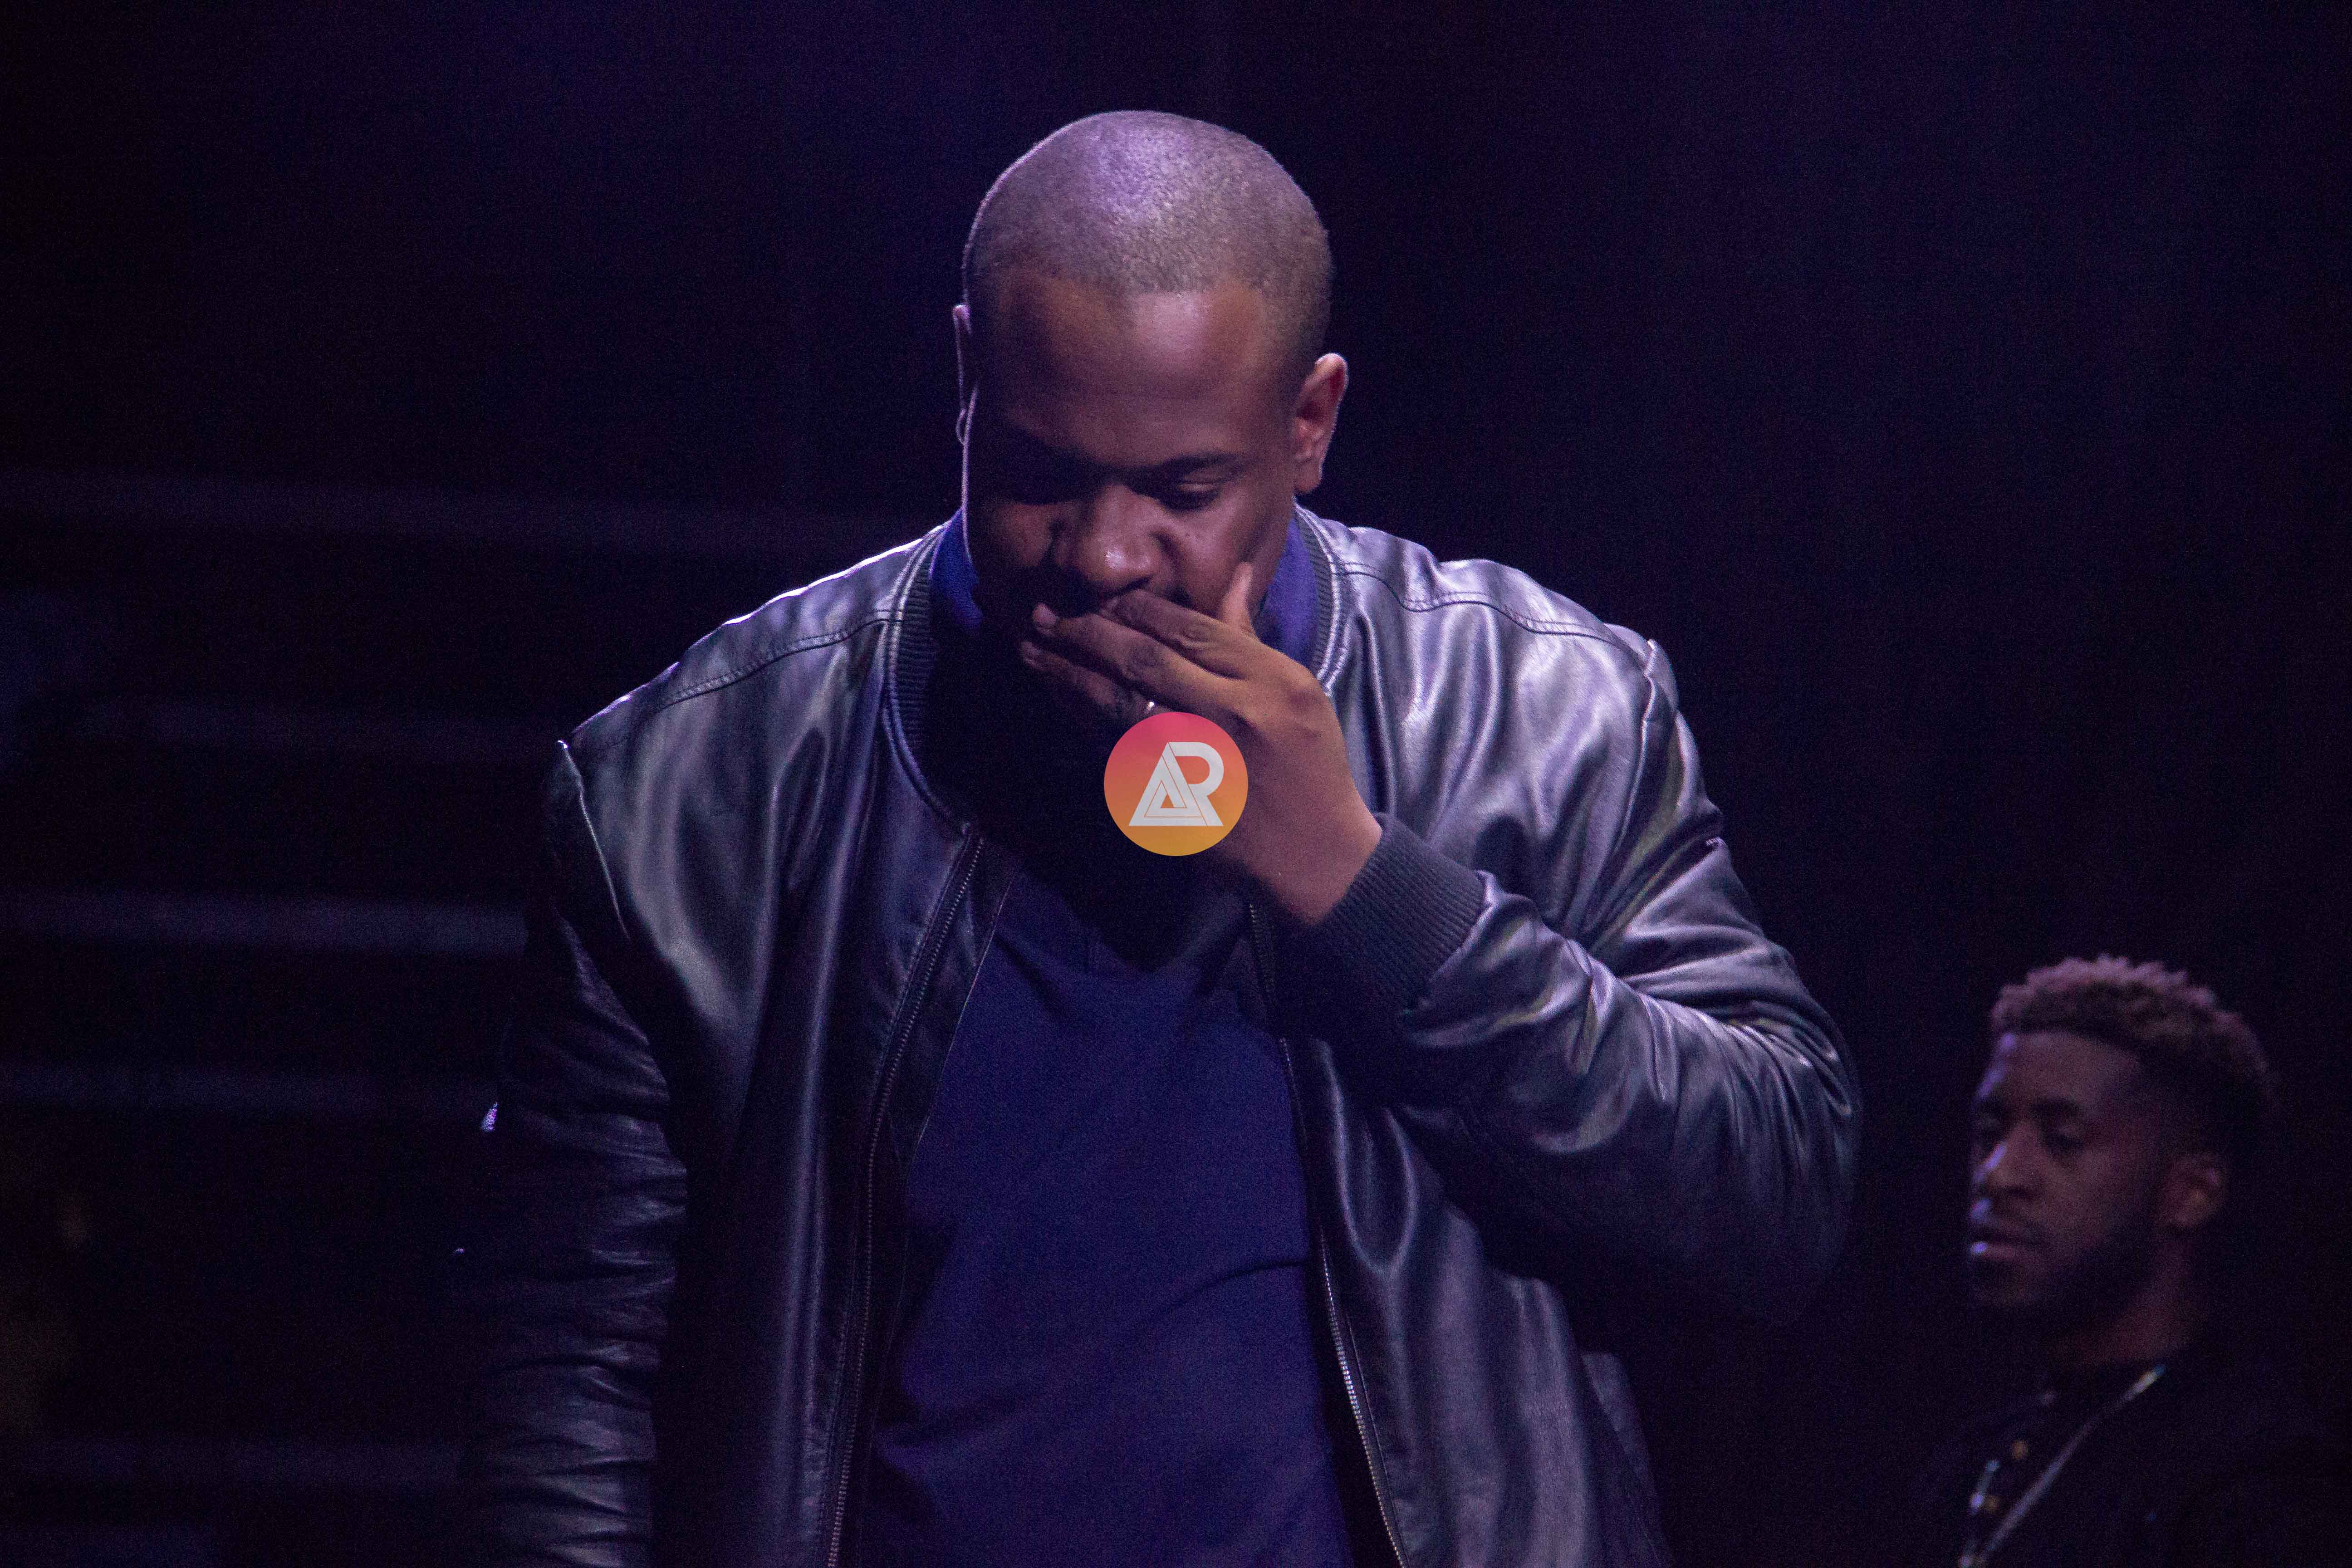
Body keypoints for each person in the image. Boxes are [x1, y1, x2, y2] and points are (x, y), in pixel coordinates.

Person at [460, 110, 1858, 1568]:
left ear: (1308, 424)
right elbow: (565, 1381)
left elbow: (1776, 1196)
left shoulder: (1543, 710)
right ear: (965, 380)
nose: (1105, 553)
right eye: (1039, 475)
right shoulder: (694, 788)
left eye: (1185, 491)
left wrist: (1365, 884)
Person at [1903, 956, 2346, 1567]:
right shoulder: (1970, 1465)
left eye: (2062, 1139)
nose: (1999, 1174)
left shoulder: (2261, 1485)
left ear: (2192, 1193)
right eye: (1989, 1132)